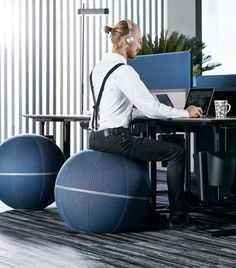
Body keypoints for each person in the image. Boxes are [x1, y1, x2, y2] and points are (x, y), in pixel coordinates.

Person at [89, 19, 203, 230]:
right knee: (176, 152)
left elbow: (120, 107)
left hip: (96, 137)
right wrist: (184, 113)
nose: (141, 46)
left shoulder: (99, 68)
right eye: (139, 41)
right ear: (127, 40)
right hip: (116, 138)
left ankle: (144, 212)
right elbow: (151, 107)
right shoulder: (124, 72)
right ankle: (178, 218)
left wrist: (144, 112)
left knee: (144, 151)